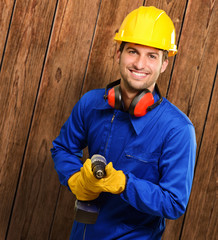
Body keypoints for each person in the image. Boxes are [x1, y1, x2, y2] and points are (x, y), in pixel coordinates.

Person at [51, 6, 196, 240]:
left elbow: (174, 203)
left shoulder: (178, 130)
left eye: (152, 56)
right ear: (118, 54)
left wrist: (123, 184)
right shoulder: (91, 103)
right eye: (132, 51)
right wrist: (74, 178)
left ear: (164, 63)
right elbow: (62, 148)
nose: (139, 64)